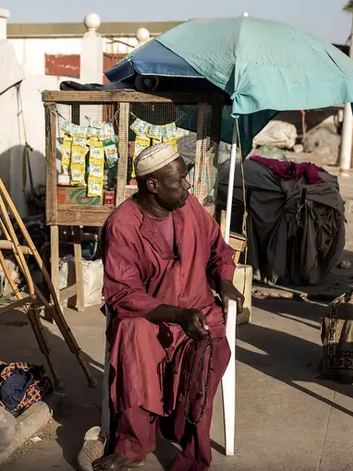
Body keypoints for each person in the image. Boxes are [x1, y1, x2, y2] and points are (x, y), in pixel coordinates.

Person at [95, 143, 244, 471]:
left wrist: (226, 283)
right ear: (153, 185)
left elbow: (220, 252)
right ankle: (131, 445)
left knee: (207, 352)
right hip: (151, 318)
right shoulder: (121, 225)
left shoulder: (189, 207)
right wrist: (176, 315)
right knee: (132, 335)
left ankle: (191, 452)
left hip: (200, 309)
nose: (188, 186)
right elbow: (124, 294)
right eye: (180, 180)